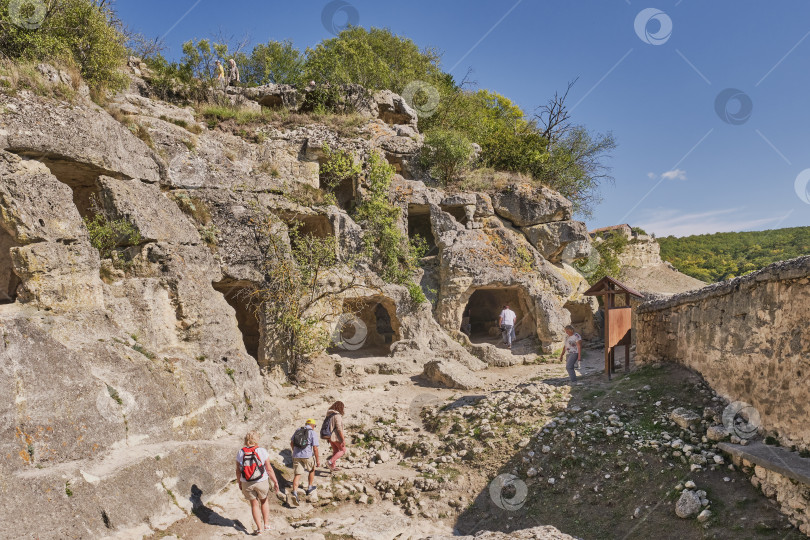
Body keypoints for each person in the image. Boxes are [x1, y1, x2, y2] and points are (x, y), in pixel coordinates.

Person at [236, 430, 281, 534]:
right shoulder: (262, 451)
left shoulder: (240, 452)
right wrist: (275, 481)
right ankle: (266, 525)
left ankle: (259, 529)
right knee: (264, 501)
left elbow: (238, 470)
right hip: (261, 481)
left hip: (246, 482)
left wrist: (239, 482)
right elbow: (269, 469)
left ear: (246, 440)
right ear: (257, 440)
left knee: (254, 504)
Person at [288, 419, 320, 506]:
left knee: (297, 474)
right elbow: (315, 448)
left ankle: (294, 492)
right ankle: (310, 487)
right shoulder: (312, 433)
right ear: (313, 425)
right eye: (315, 426)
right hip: (307, 455)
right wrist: (317, 460)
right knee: (312, 469)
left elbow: (292, 442)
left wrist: (294, 451)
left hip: (296, 455)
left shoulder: (298, 430)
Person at [320, 401, 346, 471]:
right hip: (335, 436)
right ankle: (329, 462)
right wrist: (343, 439)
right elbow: (339, 428)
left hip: (329, 436)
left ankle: (333, 466)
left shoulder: (329, 415)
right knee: (343, 450)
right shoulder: (337, 415)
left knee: (335, 450)